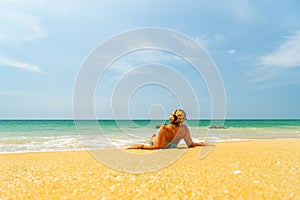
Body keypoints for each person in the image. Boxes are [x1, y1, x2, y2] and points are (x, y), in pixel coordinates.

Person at [128, 109, 212, 150]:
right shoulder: (182, 129)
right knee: (153, 139)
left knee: (156, 137)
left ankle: (154, 136)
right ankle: (153, 137)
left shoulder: (166, 128)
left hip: (164, 143)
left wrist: (202, 144)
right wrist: (140, 146)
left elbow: (190, 144)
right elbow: (158, 147)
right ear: (182, 120)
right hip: (157, 142)